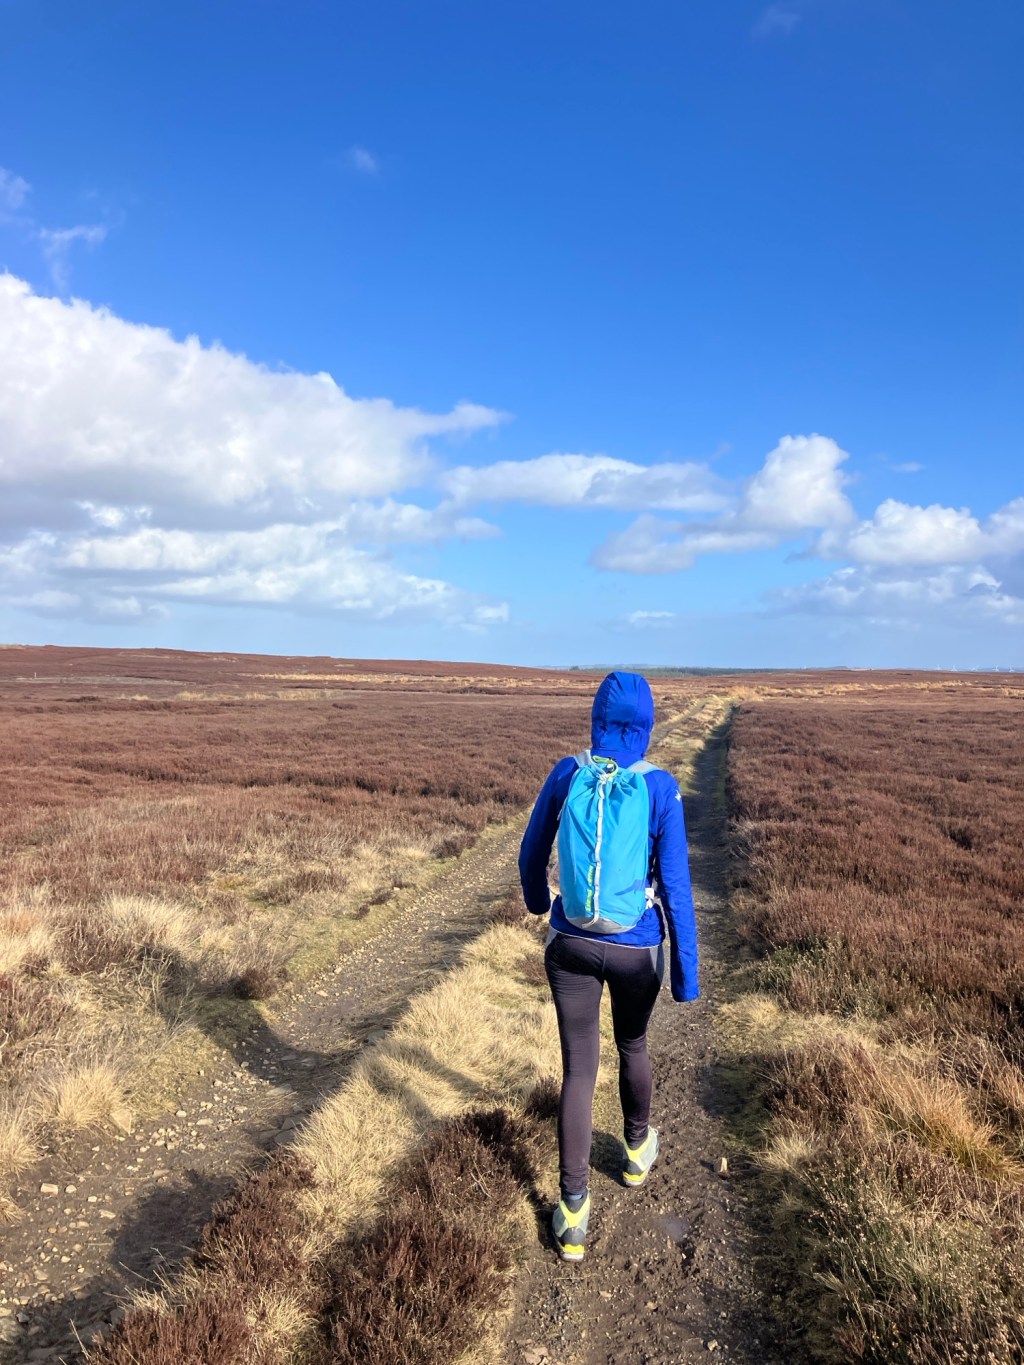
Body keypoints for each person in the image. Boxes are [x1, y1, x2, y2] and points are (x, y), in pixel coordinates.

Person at [518, 670, 699, 1261]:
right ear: (645, 726)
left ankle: (572, 1214)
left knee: (577, 1071)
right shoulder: (661, 787)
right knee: (634, 1045)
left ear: (595, 719)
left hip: (570, 944)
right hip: (636, 948)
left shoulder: (567, 772)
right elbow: (675, 886)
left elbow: (530, 852)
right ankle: (637, 1150)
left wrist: (541, 903)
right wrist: (685, 976)